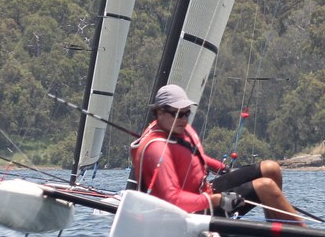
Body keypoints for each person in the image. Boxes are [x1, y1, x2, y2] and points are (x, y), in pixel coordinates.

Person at [130, 85, 304, 225]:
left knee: (270, 169)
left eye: (186, 113)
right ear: (160, 112)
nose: (184, 119)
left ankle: (278, 231)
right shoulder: (157, 149)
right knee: (265, 186)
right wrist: (218, 200)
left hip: (204, 193)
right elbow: (172, 198)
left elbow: (192, 156)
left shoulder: (175, 129)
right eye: (178, 114)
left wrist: (222, 169)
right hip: (184, 215)